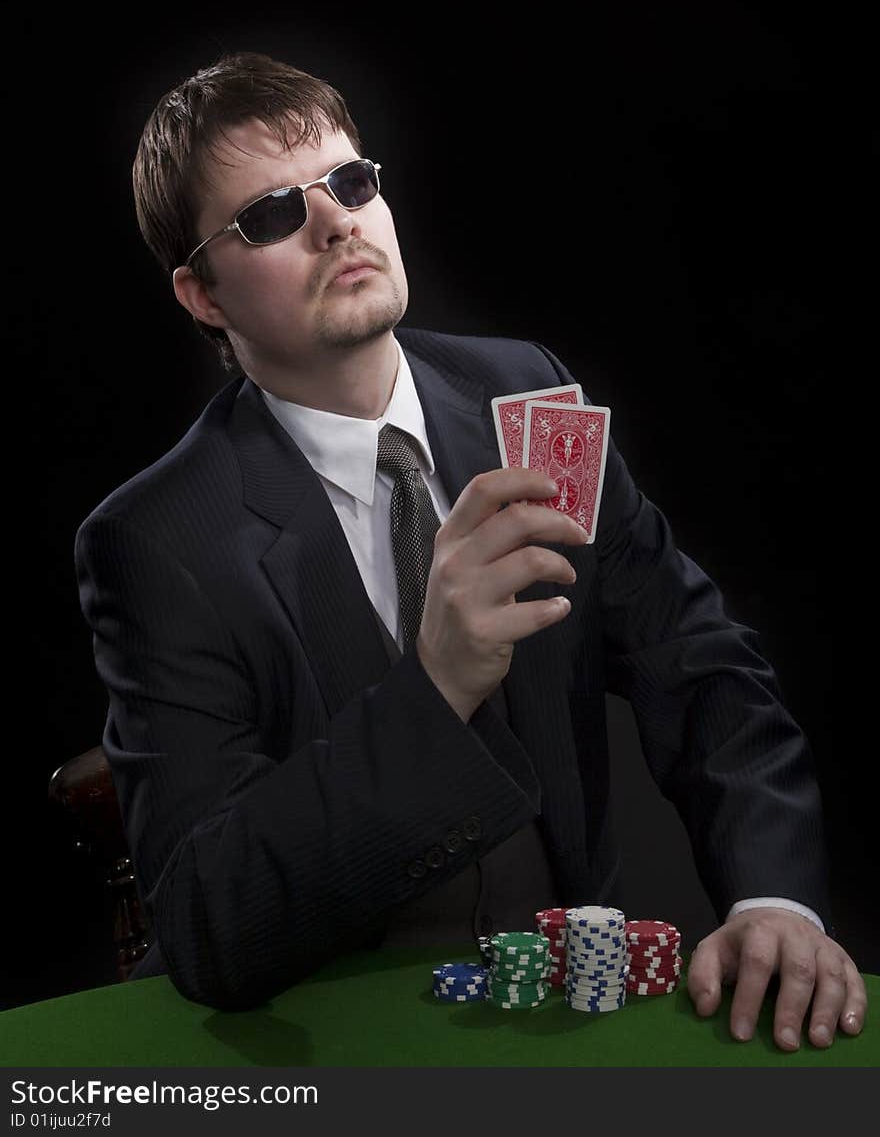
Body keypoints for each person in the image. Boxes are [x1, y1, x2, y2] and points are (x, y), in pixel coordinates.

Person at [74, 51, 865, 1050]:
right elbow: (211, 924)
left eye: (351, 183)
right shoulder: (154, 540)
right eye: (272, 214)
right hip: (327, 1045)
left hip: (569, 1029)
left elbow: (702, 669)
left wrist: (774, 903)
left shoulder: (529, 401)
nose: (336, 221)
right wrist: (436, 684)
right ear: (202, 296)